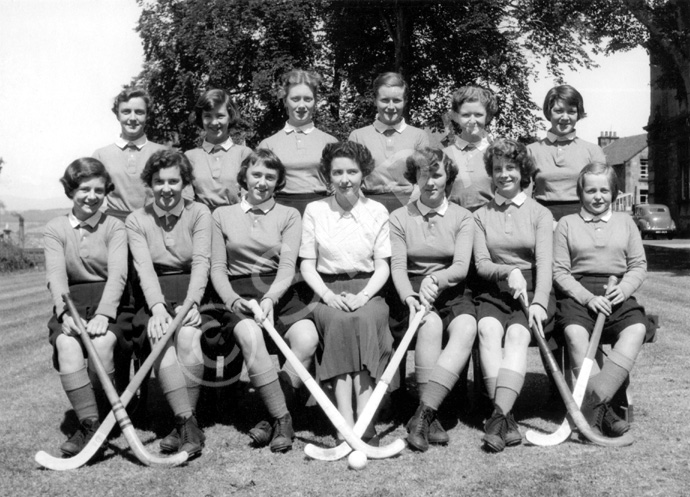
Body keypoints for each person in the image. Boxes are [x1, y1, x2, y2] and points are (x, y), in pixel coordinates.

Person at [208, 149, 319, 453]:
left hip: (279, 292)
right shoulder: (221, 215)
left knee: (307, 339)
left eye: (270, 176)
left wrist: (270, 299)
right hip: (237, 296)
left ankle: (268, 419)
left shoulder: (289, 215)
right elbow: (217, 268)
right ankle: (282, 418)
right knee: (251, 336)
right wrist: (233, 301)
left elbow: (286, 266)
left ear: (278, 181)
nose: (262, 181)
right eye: (256, 174)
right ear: (244, 176)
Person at [300, 141, 393, 443]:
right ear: (328, 176)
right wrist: (327, 296)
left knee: (365, 321)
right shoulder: (315, 210)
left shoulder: (377, 210)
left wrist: (364, 295)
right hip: (327, 291)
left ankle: (365, 418)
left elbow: (382, 266)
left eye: (352, 171)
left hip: (368, 290)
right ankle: (344, 418)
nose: (345, 179)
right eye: (337, 172)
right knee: (340, 323)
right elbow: (307, 265)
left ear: (363, 173)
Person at [389, 148, 477, 452]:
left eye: (436, 174)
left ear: (447, 178)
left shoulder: (463, 217)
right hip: (412, 294)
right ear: (416, 177)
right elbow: (398, 268)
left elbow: (461, 268)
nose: (430, 182)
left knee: (466, 326)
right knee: (429, 324)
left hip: (451, 290)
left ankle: (424, 414)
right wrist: (410, 294)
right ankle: (432, 417)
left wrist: (434, 279)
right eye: (424, 174)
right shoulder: (399, 217)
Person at [125, 150, 211, 458]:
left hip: (193, 293)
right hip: (153, 296)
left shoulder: (199, 212)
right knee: (159, 335)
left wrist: (192, 303)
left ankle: (181, 425)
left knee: (189, 337)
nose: (166, 188)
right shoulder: (136, 220)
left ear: (184, 183)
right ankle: (188, 424)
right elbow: (144, 267)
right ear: (149, 183)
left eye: (173, 181)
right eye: (159, 181)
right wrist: (157, 308)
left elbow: (202, 262)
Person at [473, 138, 554, 452]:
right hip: (494, 291)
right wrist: (508, 271)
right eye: (497, 168)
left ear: (523, 172)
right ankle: (505, 417)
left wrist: (538, 302)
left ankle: (498, 417)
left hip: (530, 293)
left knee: (518, 336)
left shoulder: (540, 214)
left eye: (510, 167)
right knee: (487, 329)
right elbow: (481, 264)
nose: (504, 174)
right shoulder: (480, 215)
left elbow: (545, 263)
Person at [553, 163, 647, 437]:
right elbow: (560, 271)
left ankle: (594, 407)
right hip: (579, 294)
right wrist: (587, 298)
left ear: (614, 193)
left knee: (637, 328)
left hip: (616, 291)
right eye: (590, 190)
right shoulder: (567, 224)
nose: (597, 196)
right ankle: (605, 411)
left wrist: (625, 288)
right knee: (573, 334)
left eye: (604, 190)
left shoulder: (626, 222)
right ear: (580, 193)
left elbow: (639, 265)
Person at [44, 158, 127, 457]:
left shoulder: (115, 226)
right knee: (67, 345)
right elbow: (56, 276)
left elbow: (118, 273)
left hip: (111, 302)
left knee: (102, 345)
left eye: (99, 190)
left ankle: (106, 419)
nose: (92, 196)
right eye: (84, 189)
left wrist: (105, 314)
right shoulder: (55, 228)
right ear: (71, 191)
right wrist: (64, 312)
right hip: (73, 304)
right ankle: (90, 424)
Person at [258, 69, 338, 216]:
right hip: (280, 212)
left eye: (307, 99)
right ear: (285, 101)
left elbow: (339, 184)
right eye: (295, 99)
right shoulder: (268, 144)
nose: (302, 106)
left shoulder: (330, 142)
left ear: (315, 101)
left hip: (322, 212)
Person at [348, 72, 430, 213]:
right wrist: (365, 210)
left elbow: (424, 176)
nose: (391, 107)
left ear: (404, 101)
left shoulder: (419, 136)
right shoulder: (358, 136)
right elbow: (350, 178)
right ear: (375, 100)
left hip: (410, 205)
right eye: (385, 100)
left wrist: (409, 209)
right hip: (368, 206)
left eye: (397, 100)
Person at [528, 85, 606, 222]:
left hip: (583, 220)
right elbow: (524, 196)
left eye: (571, 112)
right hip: (542, 220)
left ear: (578, 114)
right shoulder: (531, 151)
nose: (565, 117)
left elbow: (602, 194)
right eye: (558, 111)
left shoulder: (593, 151)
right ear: (548, 112)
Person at [93, 87, 168, 222]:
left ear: (147, 115)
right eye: (126, 112)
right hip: (115, 227)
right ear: (117, 115)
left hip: (154, 224)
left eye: (139, 112)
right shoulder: (101, 155)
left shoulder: (163, 153)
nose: (132, 118)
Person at [185, 89, 252, 210]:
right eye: (208, 116)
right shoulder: (190, 157)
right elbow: (187, 201)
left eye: (220, 116)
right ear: (201, 118)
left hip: (236, 220)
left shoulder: (243, 154)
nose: (214, 122)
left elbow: (248, 197)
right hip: (202, 222)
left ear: (230, 117)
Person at [443, 86, 500, 212]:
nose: (472, 121)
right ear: (456, 117)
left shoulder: (498, 154)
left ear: (488, 116)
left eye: (478, 115)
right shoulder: (444, 155)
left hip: (490, 222)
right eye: (466, 115)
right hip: (454, 223)